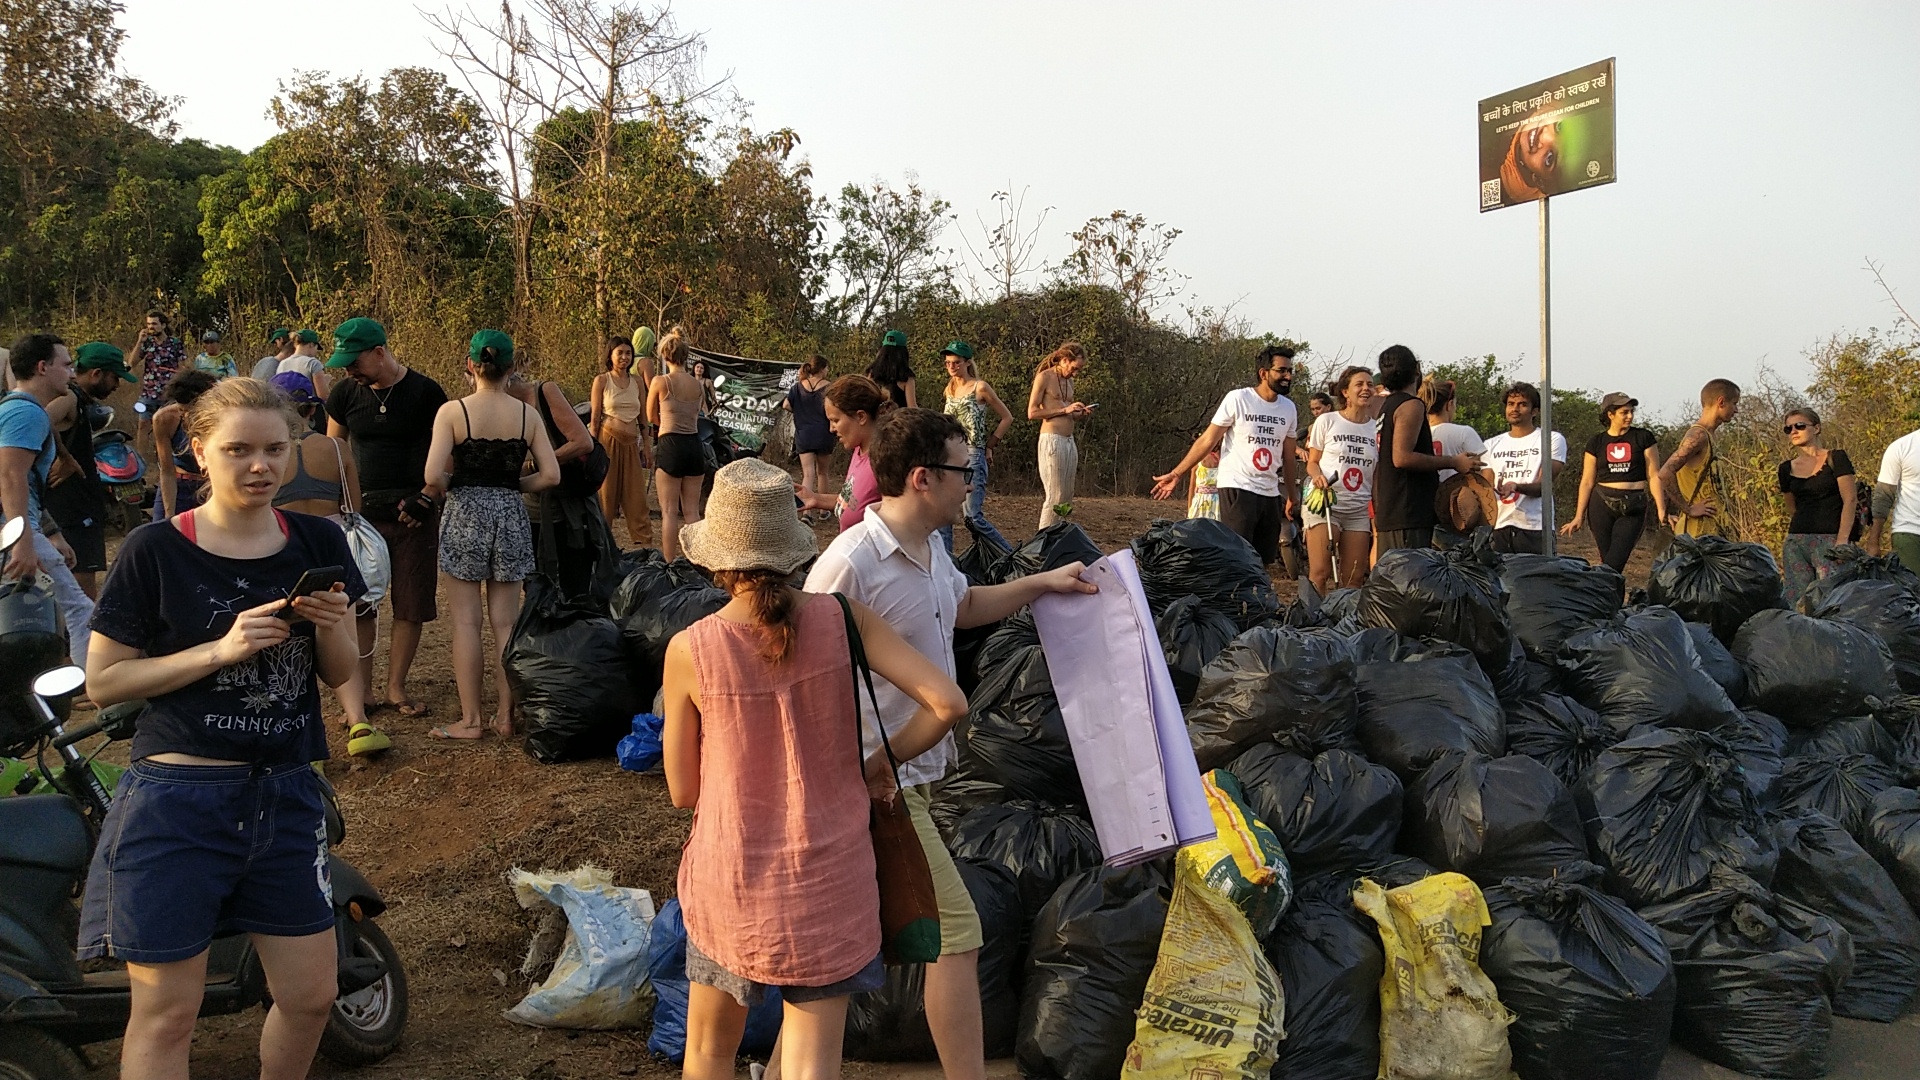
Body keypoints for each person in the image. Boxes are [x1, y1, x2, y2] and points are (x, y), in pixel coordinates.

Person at [79, 375, 363, 1080]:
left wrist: (330, 628)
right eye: (238, 450)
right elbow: (103, 682)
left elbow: (339, 672)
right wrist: (222, 650)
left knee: (310, 995)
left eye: (275, 448)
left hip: (286, 794)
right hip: (178, 802)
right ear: (199, 451)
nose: (260, 465)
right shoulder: (154, 550)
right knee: (169, 1013)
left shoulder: (317, 538)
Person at [803, 408, 1094, 1080]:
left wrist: (1042, 585)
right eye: (966, 470)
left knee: (846, 955)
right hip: (878, 786)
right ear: (923, 477)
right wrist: (854, 770)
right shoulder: (850, 564)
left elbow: (961, 607)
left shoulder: (932, 548)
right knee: (957, 939)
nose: (974, 482)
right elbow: (805, 676)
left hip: (916, 776)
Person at [662, 457, 968, 1080]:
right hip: (831, 883)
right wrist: (881, 762)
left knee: (709, 1051)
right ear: (794, 549)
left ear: (718, 558)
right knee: (810, 1066)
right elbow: (948, 703)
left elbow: (682, 790)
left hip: (730, 880)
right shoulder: (844, 620)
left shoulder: (689, 649)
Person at [423, 331, 560, 740]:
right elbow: (551, 474)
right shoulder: (526, 414)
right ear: (512, 368)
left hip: (465, 512)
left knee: (466, 622)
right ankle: (505, 715)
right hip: (511, 514)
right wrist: (513, 488)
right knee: (506, 621)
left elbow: (431, 475)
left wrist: (457, 482)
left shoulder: (452, 412)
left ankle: (470, 721)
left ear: (470, 366)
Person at [325, 316, 449, 718]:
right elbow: (334, 452)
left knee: (410, 601)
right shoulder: (345, 394)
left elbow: (444, 450)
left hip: (414, 513)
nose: (350, 372)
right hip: (361, 519)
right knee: (359, 603)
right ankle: (360, 691)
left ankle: (396, 687)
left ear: (379, 352)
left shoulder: (426, 393)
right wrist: (339, 506)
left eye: (355, 362)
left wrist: (428, 496)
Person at [268, 371, 389, 756]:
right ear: (311, 408)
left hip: (283, 543)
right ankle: (358, 723)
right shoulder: (336, 449)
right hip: (333, 543)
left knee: (288, 641)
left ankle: (304, 738)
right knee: (342, 630)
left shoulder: (270, 452)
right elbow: (353, 506)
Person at [1149, 345, 1301, 567]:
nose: (1287, 376)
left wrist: (1291, 496)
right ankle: (1230, 601)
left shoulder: (1288, 408)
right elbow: (1208, 440)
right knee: (1237, 557)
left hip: (1269, 493)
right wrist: (1177, 473)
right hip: (1238, 489)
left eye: (1290, 371)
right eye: (1281, 370)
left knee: (1262, 561)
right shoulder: (1238, 399)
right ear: (1264, 373)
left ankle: (1255, 601)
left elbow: (1288, 456)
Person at [1, 334, 96, 666]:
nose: (72, 373)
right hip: (11, 533)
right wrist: (23, 542)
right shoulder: (26, 414)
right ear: (43, 368)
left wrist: (52, 534)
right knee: (81, 611)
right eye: (66, 365)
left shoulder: (20, 411)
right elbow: (9, 477)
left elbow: (27, 481)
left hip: (19, 529)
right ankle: (100, 691)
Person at [509, 358, 610, 599]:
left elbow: (582, 442)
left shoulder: (544, 392)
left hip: (569, 507)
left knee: (573, 584)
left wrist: (536, 464)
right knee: (537, 586)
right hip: (531, 509)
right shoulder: (497, 408)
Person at [1370, 345, 1481, 553]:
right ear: (1417, 370)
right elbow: (1401, 457)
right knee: (1411, 580)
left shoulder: (1385, 408)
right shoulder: (1411, 405)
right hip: (1408, 513)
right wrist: (1453, 462)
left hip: (1392, 512)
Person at [46, 341, 133, 598]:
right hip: (72, 511)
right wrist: (65, 456)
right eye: (114, 377)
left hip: (76, 507)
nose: (117, 385)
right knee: (82, 594)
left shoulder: (79, 399)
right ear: (96, 374)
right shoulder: (70, 397)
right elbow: (38, 417)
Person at [1559, 392, 1665, 573]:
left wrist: (1662, 509)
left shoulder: (1643, 437)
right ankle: (1609, 599)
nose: (1630, 416)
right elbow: (1587, 481)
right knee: (1607, 559)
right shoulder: (1596, 442)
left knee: (1615, 561)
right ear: (1610, 414)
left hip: (1633, 503)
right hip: (1601, 503)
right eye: (1624, 412)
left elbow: (1654, 475)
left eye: (1631, 412)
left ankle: (1599, 593)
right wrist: (1578, 516)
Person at [1303, 366, 1378, 591]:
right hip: (1326, 504)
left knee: (1354, 578)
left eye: (1370, 385)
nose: (1366, 389)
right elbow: (1312, 462)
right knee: (1320, 572)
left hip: (1358, 509)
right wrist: (1317, 477)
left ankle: (1345, 622)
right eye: (1360, 384)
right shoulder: (1327, 421)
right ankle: (1311, 621)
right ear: (1345, 392)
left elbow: (1377, 473)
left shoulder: (1376, 427)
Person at [937, 341, 1013, 552]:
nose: (951, 367)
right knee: (944, 513)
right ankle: (947, 563)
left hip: (973, 454)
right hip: (950, 454)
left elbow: (1007, 417)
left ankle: (1010, 555)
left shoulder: (980, 387)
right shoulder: (950, 388)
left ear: (968, 363)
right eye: (948, 363)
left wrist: (990, 444)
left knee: (972, 517)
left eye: (956, 362)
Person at [1776, 408, 1857, 604]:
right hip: (1797, 541)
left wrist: (1842, 540)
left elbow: (1850, 499)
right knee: (1798, 602)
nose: (1794, 431)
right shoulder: (1785, 469)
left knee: (1834, 600)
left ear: (1817, 428)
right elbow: (1792, 507)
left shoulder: (1836, 458)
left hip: (1831, 540)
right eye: (1789, 429)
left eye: (1800, 426)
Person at [1480, 382, 1568, 554]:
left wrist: (1516, 486)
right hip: (1499, 527)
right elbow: (1486, 489)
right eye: (1511, 404)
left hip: (1535, 528)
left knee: (1537, 580)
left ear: (1534, 411)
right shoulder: (1490, 445)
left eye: (1522, 404)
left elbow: (1544, 486)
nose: (1515, 409)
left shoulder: (1551, 439)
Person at [797, 375, 889, 531]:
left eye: (835, 420)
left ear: (861, 417)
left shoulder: (885, 464)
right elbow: (854, 504)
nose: (831, 429)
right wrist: (816, 498)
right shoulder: (859, 451)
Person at [647, 327, 707, 561]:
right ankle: (699, 561)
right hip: (694, 445)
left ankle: (670, 563)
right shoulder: (698, 385)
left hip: (670, 443)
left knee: (669, 511)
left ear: (664, 356)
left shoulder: (660, 382)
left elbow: (651, 415)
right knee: (692, 512)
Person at [1657, 379, 1741, 538]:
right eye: (1734, 403)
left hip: (1712, 530)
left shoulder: (1709, 436)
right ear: (1721, 402)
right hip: (1698, 532)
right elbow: (1665, 472)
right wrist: (1688, 509)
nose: (1736, 410)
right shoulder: (1698, 436)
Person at [591, 335, 653, 547]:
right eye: (620, 353)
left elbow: (643, 417)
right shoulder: (602, 381)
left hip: (631, 443)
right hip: (607, 442)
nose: (624, 357)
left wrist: (646, 445)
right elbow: (595, 418)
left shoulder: (637, 381)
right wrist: (592, 450)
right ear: (611, 355)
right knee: (606, 499)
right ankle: (600, 549)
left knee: (636, 498)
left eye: (628, 353)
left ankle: (643, 548)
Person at [1026, 341, 1089, 530]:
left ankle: (1059, 537)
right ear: (1063, 360)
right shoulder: (1044, 377)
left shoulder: (1069, 381)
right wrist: (1065, 410)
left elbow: (1068, 412)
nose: (1075, 373)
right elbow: (1032, 412)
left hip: (1069, 440)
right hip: (1051, 439)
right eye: (1074, 368)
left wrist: (1078, 412)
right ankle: (1042, 542)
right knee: (1055, 494)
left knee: (1067, 495)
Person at [151, 369, 221, 521]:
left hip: (212, 485)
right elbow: (167, 471)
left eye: (192, 410)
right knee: (162, 533)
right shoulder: (164, 419)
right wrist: (169, 514)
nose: (186, 415)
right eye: (182, 410)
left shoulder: (220, 420)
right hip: (179, 484)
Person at [783, 355, 834, 523]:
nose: (828, 371)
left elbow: (786, 405)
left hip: (804, 433)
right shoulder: (829, 387)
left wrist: (801, 414)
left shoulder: (797, 387)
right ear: (821, 369)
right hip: (824, 433)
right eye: (826, 368)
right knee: (823, 473)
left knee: (808, 474)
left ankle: (806, 513)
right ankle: (823, 511)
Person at [133, 309, 186, 456]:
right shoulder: (146, 343)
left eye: (154, 324)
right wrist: (139, 341)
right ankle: (141, 460)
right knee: (143, 425)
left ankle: (165, 457)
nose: (151, 327)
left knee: (168, 427)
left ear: (163, 325)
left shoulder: (175, 343)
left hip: (168, 393)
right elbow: (132, 362)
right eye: (149, 324)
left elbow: (182, 367)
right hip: (148, 393)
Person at [1870, 423, 1920, 571]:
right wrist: (1873, 542)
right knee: (1913, 590)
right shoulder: (1902, 447)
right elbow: (1884, 496)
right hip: (1910, 532)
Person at [1421, 377, 1486, 483]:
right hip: (1456, 496)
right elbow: (1478, 474)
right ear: (1449, 404)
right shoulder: (1464, 432)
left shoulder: (1418, 435)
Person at [868, 329, 918, 410]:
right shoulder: (906, 376)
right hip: (898, 421)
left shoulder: (872, 373)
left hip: (877, 421)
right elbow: (912, 407)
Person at [276, 329, 330, 399]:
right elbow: (323, 396)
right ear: (311, 344)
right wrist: (325, 383)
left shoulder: (282, 364)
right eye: (316, 347)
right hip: (307, 408)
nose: (316, 351)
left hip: (287, 407)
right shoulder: (313, 363)